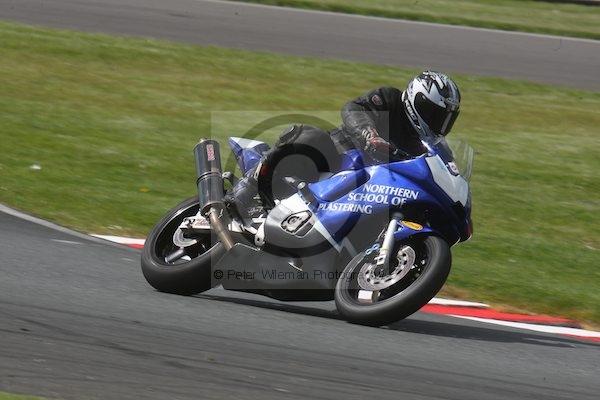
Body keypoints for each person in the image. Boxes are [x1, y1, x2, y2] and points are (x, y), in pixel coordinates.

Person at [226, 70, 461, 217]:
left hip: (373, 190)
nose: (439, 122)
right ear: (416, 100)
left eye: (446, 118)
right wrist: (369, 135)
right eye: (435, 114)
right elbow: (354, 108)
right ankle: (248, 189)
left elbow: (448, 173)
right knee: (312, 138)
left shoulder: (432, 147)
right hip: (340, 157)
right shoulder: (391, 99)